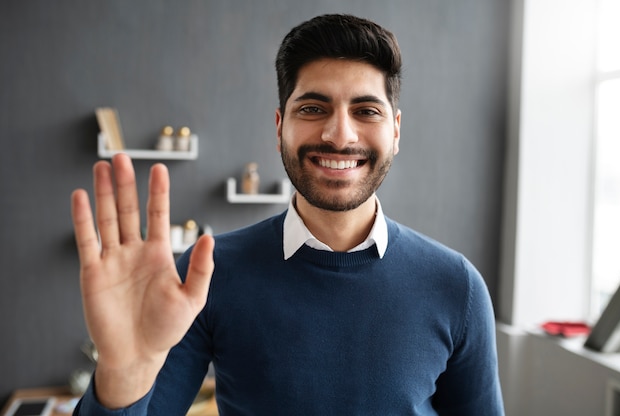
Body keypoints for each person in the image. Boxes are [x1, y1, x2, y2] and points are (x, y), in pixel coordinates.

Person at [71, 14, 504, 415]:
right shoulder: (211, 273)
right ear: (279, 128)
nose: (339, 134)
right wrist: (122, 371)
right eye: (313, 109)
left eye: (366, 111)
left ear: (395, 131)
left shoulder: (456, 286)